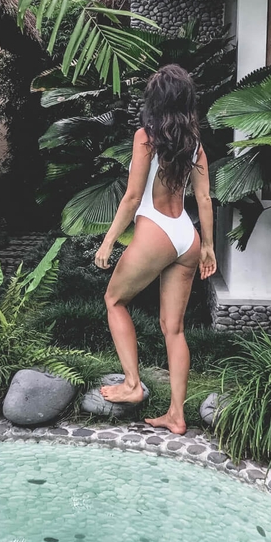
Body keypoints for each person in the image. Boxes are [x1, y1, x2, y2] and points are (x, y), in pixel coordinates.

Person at [94, 63, 217, 434]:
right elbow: (205, 199)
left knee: (114, 300)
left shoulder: (146, 138)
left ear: (156, 101)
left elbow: (132, 198)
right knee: (173, 329)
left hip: (155, 231)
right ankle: (176, 415)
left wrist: (108, 240)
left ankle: (132, 384)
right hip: (186, 235)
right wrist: (208, 247)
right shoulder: (194, 145)